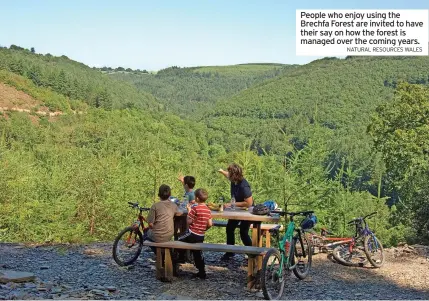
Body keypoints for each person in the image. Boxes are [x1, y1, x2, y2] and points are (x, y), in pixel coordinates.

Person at [218, 163, 254, 260]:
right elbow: (227, 175)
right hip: (236, 210)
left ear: (234, 175)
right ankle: (230, 252)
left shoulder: (244, 186)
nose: (228, 174)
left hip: (247, 211)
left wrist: (231, 204)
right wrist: (221, 171)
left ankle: (252, 253)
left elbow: (249, 203)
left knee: (243, 232)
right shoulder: (233, 180)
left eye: (230, 172)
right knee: (229, 228)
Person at [176, 188, 212, 279]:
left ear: (197, 199)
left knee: (178, 240)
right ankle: (202, 272)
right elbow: (210, 224)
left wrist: (189, 210)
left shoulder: (195, 208)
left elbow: (188, 221)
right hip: (201, 235)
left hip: (192, 234)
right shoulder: (208, 210)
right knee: (197, 252)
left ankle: (180, 258)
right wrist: (204, 229)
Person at [145, 184, 182, 253]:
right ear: (169, 194)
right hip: (169, 235)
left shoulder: (155, 206)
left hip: (157, 236)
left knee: (145, 234)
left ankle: (158, 253)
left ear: (159, 194)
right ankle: (162, 253)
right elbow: (179, 213)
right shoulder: (174, 205)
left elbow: (150, 224)